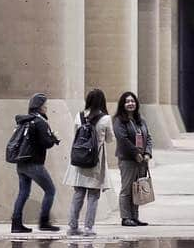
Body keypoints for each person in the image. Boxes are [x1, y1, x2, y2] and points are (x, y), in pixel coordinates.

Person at [63, 88, 114, 237]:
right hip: (94, 163)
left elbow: (75, 135)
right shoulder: (105, 119)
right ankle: (88, 228)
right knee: (93, 196)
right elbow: (110, 139)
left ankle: (72, 227)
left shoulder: (78, 117)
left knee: (78, 194)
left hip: (79, 162)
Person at [11, 92, 61, 235]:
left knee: (23, 193)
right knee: (50, 190)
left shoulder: (25, 120)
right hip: (34, 163)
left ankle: (16, 224)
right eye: (45, 105)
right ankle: (44, 222)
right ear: (39, 106)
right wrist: (54, 138)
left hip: (21, 163)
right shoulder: (40, 122)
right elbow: (46, 143)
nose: (46, 107)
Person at [113, 91, 153, 227]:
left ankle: (134, 217)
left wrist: (147, 153)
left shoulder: (141, 121)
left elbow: (149, 138)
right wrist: (136, 153)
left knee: (137, 189)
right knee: (127, 189)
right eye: (127, 101)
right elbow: (122, 139)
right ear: (123, 105)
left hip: (142, 160)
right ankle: (125, 217)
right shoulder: (119, 121)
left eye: (133, 101)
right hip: (128, 160)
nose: (131, 104)